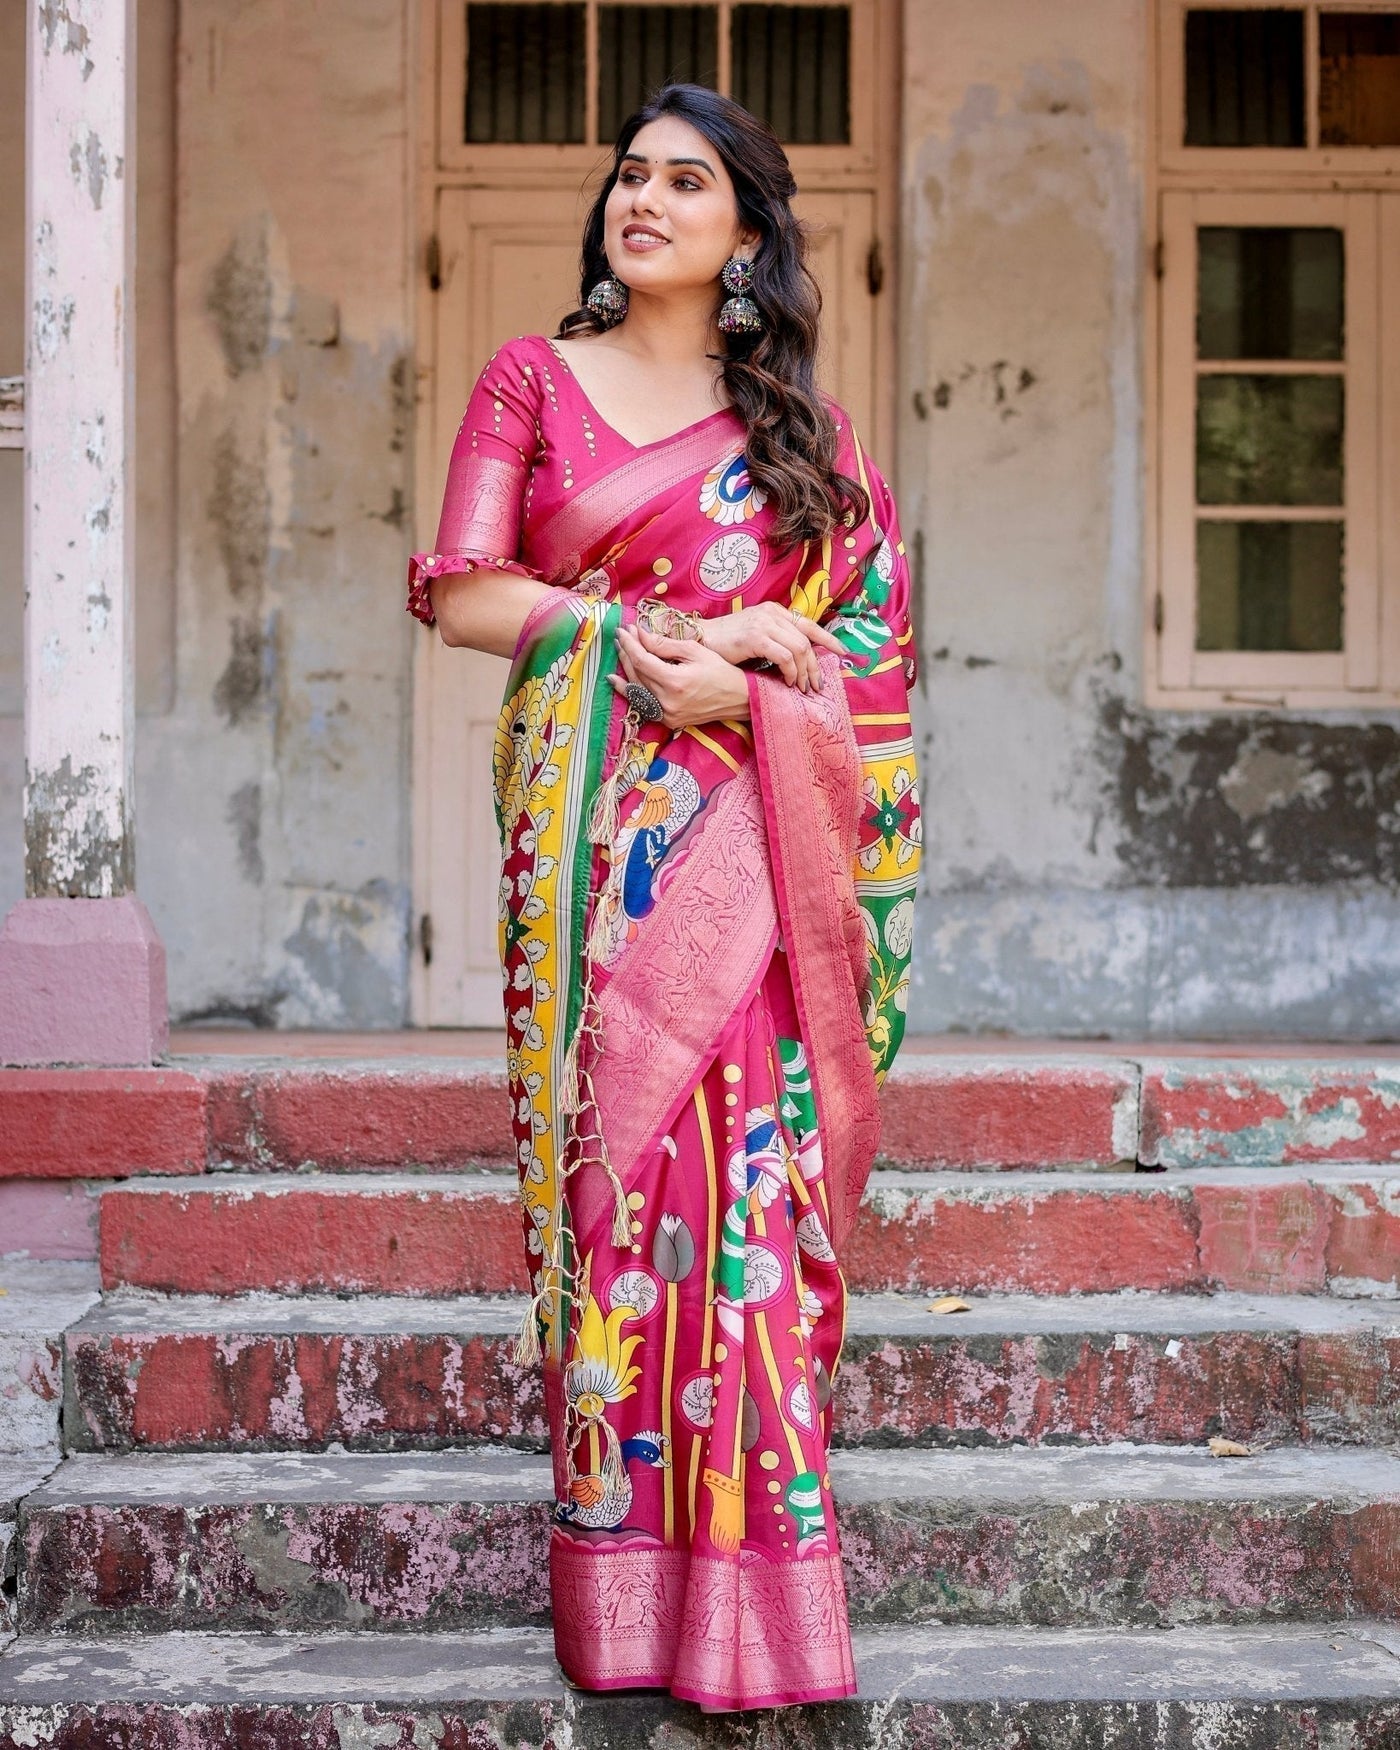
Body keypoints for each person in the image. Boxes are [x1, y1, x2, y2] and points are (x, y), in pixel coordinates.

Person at [406, 82, 921, 1712]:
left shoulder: (811, 445)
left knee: (747, 1217)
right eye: (630, 174)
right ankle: (625, 1582)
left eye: (687, 181)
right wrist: (633, 649)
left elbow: (872, 666)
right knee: (619, 1191)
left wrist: (769, 681)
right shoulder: (529, 380)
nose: (644, 198)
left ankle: (755, 1612)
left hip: (758, 858)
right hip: (588, 852)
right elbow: (463, 591)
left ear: (750, 233)